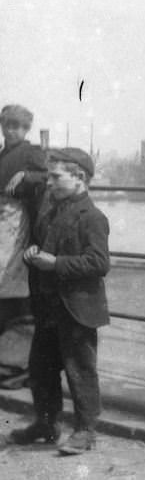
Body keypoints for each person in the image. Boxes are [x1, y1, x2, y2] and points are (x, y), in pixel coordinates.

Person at [8, 148, 109, 455]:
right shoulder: (53, 211)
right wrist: (34, 254)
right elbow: (44, 245)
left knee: (80, 370)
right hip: (49, 308)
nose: (49, 183)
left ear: (79, 178)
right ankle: (47, 424)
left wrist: (55, 263)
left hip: (77, 309)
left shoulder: (92, 217)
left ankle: (86, 430)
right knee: (41, 369)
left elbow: (98, 262)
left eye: (55, 177)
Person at [0, 105, 47, 388]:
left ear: (26, 129)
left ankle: (18, 363)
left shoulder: (31, 152)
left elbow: (49, 174)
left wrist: (28, 177)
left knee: (14, 283)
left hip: (18, 225)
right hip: (2, 223)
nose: (12, 130)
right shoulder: (3, 154)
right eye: (8, 124)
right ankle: (8, 358)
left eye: (18, 126)